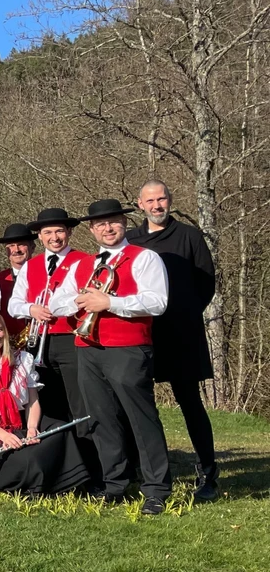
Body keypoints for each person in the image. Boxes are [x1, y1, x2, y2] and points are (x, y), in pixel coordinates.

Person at [49, 199, 172, 515]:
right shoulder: (82, 265)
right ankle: (115, 484)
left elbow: (157, 302)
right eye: (100, 224)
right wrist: (81, 300)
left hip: (128, 349)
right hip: (87, 348)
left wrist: (110, 302)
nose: (108, 228)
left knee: (140, 419)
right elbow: (57, 302)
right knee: (101, 419)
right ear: (91, 230)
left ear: (124, 223)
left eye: (113, 221)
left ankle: (156, 489)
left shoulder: (145, 258)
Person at [126, 180, 220, 501]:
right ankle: (139, 471)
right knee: (136, 404)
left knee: (190, 403)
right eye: (150, 200)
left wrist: (183, 313)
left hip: (182, 335)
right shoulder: (130, 240)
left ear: (170, 200)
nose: (157, 205)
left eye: (162, 199)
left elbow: (206, 283)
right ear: (140, 204)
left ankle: (208, 474)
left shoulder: (190, 236)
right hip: (141, 335)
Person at [0, 310, 89, 495]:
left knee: (62, 431)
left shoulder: (23, 359)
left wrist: (32, 428)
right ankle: (41, 484)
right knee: (29, 457)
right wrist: (4, 436)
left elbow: (32, 401)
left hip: (23, 422)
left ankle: (69, 483)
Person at [7, 208, 95, 473]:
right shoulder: (30, 266)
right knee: (48, 405)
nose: (54, 237)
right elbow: (13, 305)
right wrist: (31, 309)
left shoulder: (84, 260)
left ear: (69, 232)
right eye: (48, 232)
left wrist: (60, 307)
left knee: (80, 403)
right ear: (40, 236)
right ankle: (60, 464)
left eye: (59, 231)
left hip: (71, 340)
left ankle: (90, 464)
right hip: (39, 343)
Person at [0, 223, 36, 344]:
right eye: (11, 245)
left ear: (32, 247)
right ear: (6, 250)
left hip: (39, 338)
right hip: (7, 341)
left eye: (21, 244)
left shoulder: (44, 275)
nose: (16, 250)